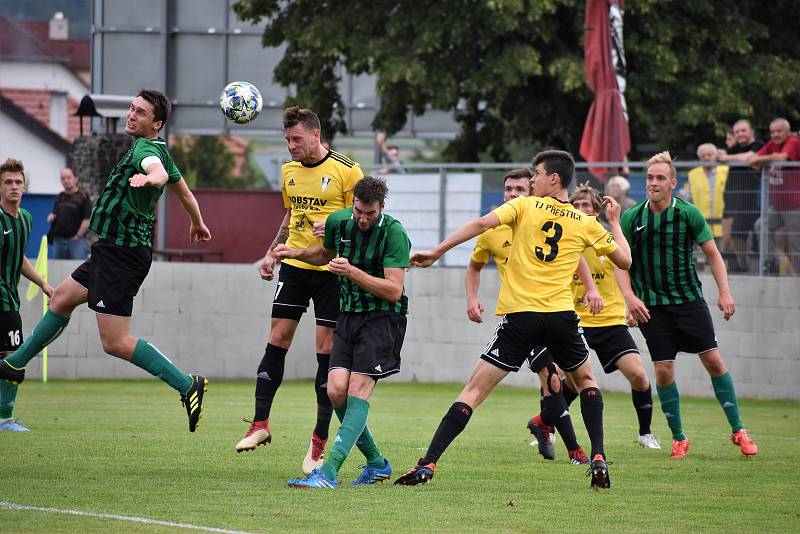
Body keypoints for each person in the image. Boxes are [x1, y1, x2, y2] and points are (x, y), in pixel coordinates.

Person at [395, 150, 632, 490]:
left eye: (536, 174)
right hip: (562, 316)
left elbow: (480, 224)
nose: (531, 180)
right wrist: (614, 222)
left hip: (521, 316)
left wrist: (437, 250)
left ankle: (428, 464)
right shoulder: (585, 221)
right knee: (586, 381)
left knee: (474, 390)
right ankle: (597, 456)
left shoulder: (525, 206)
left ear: (554, 178)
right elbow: (624, 260)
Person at [0, 90, 211, 432]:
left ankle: (187, 385)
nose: (131, 114)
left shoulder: (148, 151)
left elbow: (156, 173)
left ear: (156, 124)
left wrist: (149, 178)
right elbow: (184, 193)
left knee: (115, 342)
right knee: (61, 300)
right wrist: (197, 222)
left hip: (122, 256)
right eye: (131, 108)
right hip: (110, 250)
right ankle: (16, 362)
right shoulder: (160, 150)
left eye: (140, 112)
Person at [238, 106, 363, 476]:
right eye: (287, 139)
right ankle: (260, 423)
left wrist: (338, 224)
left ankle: (319, 439)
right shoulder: (288, 172)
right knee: (277, 337)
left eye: (296, 139)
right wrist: (270, 252)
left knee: (324, 350)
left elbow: (366, 218)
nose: (290, 145)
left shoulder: (346, 170)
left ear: (314, 134)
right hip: (294, 265)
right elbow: (291, 216)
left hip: (331, 271)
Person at [617, 151, 758, 459]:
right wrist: (630, 298)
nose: (653, 183)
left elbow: (713, 254)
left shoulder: (688, 213)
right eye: (650, 177)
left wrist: (725, 292)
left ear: (672, 183)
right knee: (664, 371)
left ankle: (738, 429)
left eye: (660, 178)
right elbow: (621, 263)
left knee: (714, 362)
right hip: (651, 307)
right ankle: (679, 437)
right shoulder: (632, 217)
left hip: (689, 301)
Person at [274, 177, 411, 489]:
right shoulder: (338, 222)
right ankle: (377, 464)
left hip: (382, 319)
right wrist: (295, 254)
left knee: (357, 391)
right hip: (347, 316)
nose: (363, 219)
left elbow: (393, 290)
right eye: (359, 211)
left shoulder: (394, 233)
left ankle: (329, 471)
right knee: (335, 391)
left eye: (370, 214)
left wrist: (351, 271)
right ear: (353, 205)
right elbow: (324, 254)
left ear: (382, 208)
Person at [467, 168, 597, 465]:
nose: (513, 194)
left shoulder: (542, 220)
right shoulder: (493, 228)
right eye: (508, 189)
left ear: (532, 191)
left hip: (554, 310)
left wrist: (591, 288)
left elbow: (576, 257)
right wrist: (472, 298)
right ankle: (575, 449)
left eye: (519, 189)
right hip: (522, 314)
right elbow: (475, 265)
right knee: (551, 378)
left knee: (572, 382)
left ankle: (542, 422)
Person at [526, 183, 660, 455]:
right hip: (573, 319)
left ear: (597, 211)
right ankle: (548, 428)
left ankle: (645, 432)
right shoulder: (565, 237)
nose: (580, 209)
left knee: (638, 375)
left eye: (586, 205)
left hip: (609, 319)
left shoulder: (603, 238)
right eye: (576, 206)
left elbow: (625, 267)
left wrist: (629, 302)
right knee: (559, 377)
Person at [0, 159, 54, 432]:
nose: (14, 186)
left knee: (9, 360)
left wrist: (44, 284)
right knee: (13, 359)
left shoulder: (27, 219)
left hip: (11, 300)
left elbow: (19, 257)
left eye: (18, 182)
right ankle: (4, 419)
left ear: (25, 187)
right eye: (8, 182)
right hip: (3, 303)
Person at [747, 118, 800, 274]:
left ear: (787, 131)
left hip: (795, 204)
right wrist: (759, 159)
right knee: (761, 225)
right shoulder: (772, 144)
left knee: (796, 243)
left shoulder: (793, 141)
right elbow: (753, 160)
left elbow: (782, 157)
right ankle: (770, 264)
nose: (775, 134)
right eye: (773, 131)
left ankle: (797, 279)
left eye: (779, 131)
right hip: (777, 205)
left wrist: (760, 159)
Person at [717, 119, 764, 273]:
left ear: (751, 131)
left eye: (743, 130)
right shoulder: (735, 148)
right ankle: (744, 266)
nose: (740, 134)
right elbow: (721, 157)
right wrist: (719, 155)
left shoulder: (759, 145)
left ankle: (762, 268)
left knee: (759, 237)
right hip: (738, 201)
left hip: (757, 200)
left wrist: (726, 158)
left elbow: (750, 156)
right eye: (737, 132)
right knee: (736, 234)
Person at [680, 143, 728, 243]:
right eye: (703, 156)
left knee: (722, 256)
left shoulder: (725, 171)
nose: (706, 158)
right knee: (702, 257)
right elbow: (685, 196)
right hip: (701, 225)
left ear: (715, 156)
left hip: (722, 225)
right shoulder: (693, 174)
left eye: (709, 155)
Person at [47, 168, 92, 260]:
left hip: (76, 242)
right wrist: (51, 217)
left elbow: (87, 219)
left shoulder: (83, 196)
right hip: (58, 241)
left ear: (75, 179)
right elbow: (54, 215)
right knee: (58, 271)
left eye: (68, 178)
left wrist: (77, 236)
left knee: (77, 271)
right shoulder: (60, 196)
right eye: (63, 178)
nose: (66, 180)